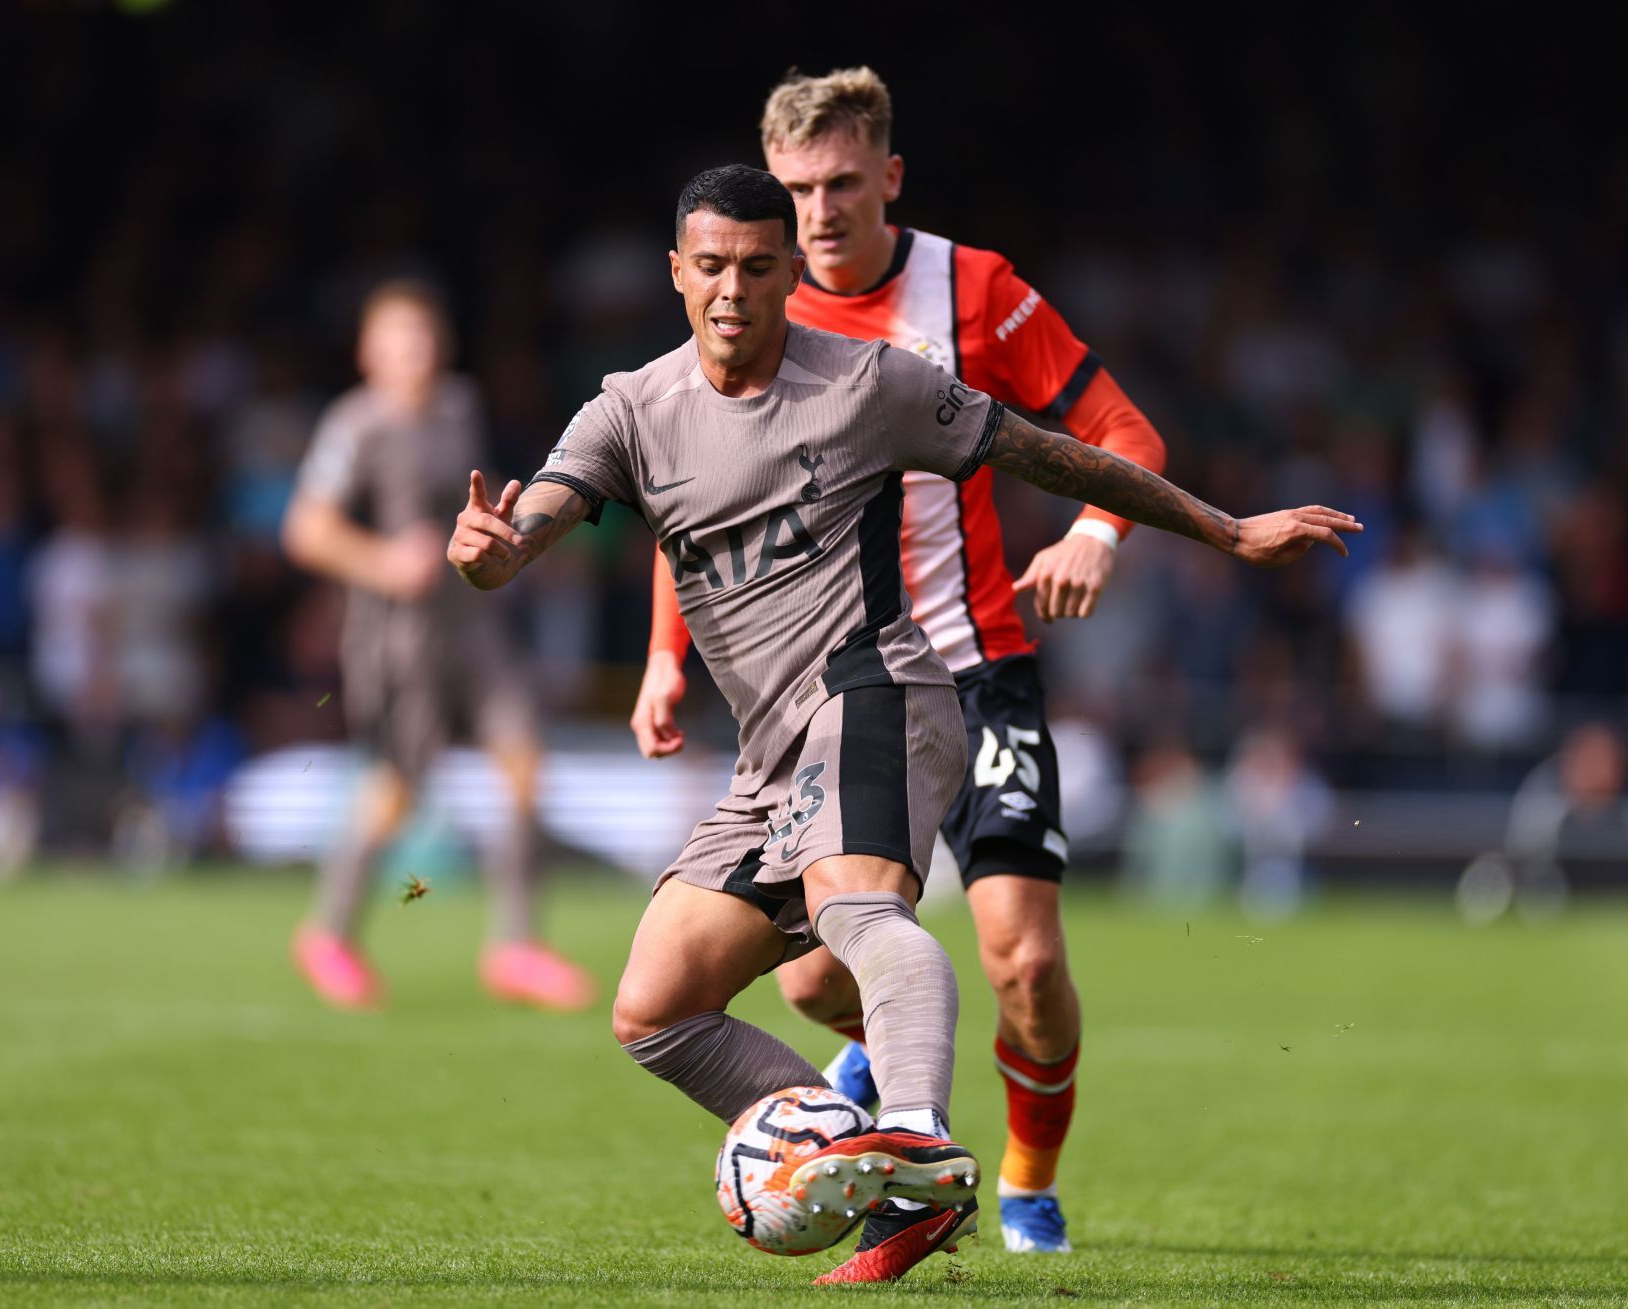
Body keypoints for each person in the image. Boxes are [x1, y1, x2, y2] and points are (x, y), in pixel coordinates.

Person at [446, 164, 1358, 1283]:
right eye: (713, 266)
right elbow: (540, 510)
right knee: (654, 1007)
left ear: (791, 274)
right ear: (677, 274)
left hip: (879, 692)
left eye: (757, 266)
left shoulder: (871, 384)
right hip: (768, 751)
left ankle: (919, 1140)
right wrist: (496, 553)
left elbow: (1050, 450)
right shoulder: (631, 408)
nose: (734, 288)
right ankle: (846, 1151)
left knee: (855, 906)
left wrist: (1225, 529)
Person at [627, 66, 1169, 1254]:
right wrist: (666, 656)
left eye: (841, 186)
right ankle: (876, 1059)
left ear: (890, 180)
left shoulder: (970, 289)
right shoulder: (753, 312)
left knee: (1023, 958)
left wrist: (1094, 531)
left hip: (974, 665)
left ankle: (1025, 1183)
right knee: (817, 980)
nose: (818, 214)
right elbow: (692, 504)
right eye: (798, 191)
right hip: (826, 692)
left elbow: (1119, 430)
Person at [282, 280, 593, 1012]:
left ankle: (516, 944)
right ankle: (328, 932)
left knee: (524, 761)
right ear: (368, 352)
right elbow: (305, 527)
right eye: (399, 338)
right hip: (399, 640)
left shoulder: (460, 406)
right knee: (398, 790)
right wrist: (382, 561)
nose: (415, 352)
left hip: (474, 626)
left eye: (424, 337)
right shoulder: (354, 426)